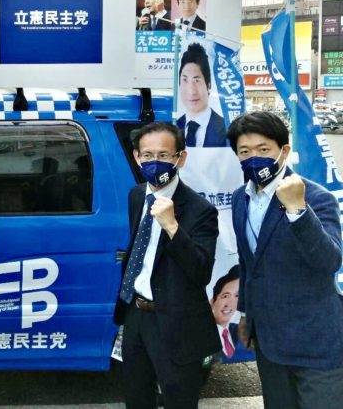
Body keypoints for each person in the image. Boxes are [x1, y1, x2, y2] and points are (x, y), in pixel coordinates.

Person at [227, 111, 343, 409]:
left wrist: (298, 211)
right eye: (244, 151)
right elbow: (248, 262)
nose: (254, 158)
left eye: (263, 149)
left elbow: (329, 261)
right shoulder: (240, 198)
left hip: (316, 342)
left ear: (284, 150)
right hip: (270, 342)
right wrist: (245, 314)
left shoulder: (317, 198)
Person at [114, 122, 220, 409]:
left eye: (163, 155)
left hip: (177, 322)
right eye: (147, 155)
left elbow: (201, 271)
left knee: (179, 400)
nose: (155, 162)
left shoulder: (200, 210)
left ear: (180, 158)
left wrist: (173, 227)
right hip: (136, 314)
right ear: (136, 157)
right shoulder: (137, 195)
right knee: (136, 397)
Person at [175, 43, 227, 148]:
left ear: (209, 85)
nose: (191, 91)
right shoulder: (174, 127)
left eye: (197, 80)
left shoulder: (225, 127)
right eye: (185, 80)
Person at [210, 265, 239, 358]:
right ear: (212, 302)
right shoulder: (201, 333)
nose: (229, 304)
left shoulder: (239, 331)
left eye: (236, 296)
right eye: (225, 296)